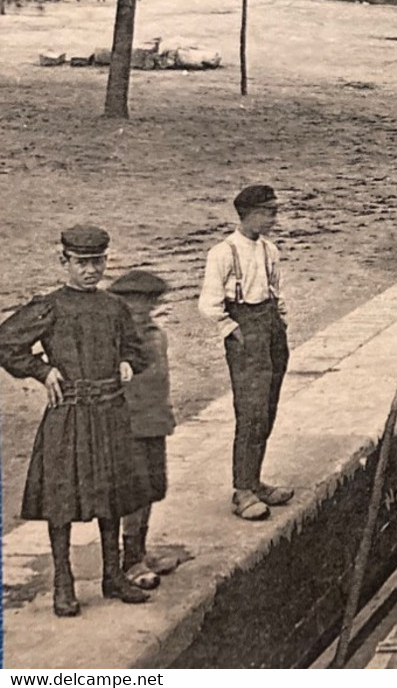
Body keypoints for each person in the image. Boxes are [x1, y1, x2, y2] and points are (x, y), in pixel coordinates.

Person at [0, 226, 154, 616]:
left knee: (112, 494)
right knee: (61, 500)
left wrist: (126, 362)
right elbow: (6, 343)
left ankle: (112, 575)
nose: (90, 271)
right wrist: (41, 370)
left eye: (97, 262)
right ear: (64, 262)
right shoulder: (50, 306)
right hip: (67, 413)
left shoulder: (114, 307)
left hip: (109, 411)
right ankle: (62, 583)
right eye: (81, 263)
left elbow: (136, 349)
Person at [199, 185, 295, 521]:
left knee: (267, 409)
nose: (273, 219)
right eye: (268, 212)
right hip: (245, 332)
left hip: (270, 329)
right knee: (250, 412)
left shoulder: (270, 250)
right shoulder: (223, 252)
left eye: (274, 211)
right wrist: (232, 330)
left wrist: (279, 324)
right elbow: (209, 305)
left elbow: (276, 292)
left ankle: (255, 481)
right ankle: (242, 491)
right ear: (249, 213)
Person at [108, 270, 182, 590]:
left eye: (146, 301)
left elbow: (160, 382)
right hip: (129, 427)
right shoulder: (116, 341)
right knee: (134, 493)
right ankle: (130, 560)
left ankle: (142, 549)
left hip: (154, 422)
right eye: (131, 302)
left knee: (153, 488)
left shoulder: (157, 334)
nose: (139, 308)